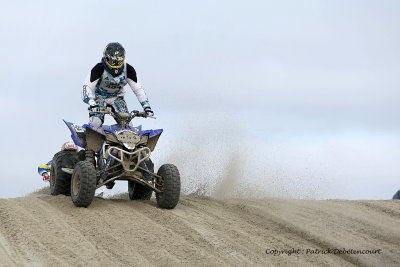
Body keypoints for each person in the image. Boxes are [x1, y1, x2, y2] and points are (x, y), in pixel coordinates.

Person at [82, 42, 154, 130]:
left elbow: (138, 89)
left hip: (117, 98)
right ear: (106, 58)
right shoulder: (98, 69)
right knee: (96, 123)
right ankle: (90, 138)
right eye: (113, 61)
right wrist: (92, 103)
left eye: (118, 61)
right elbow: (86, 87)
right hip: (99, 97)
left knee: (128, 125)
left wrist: (146, 106)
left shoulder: (129, 70)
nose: (115, 65)